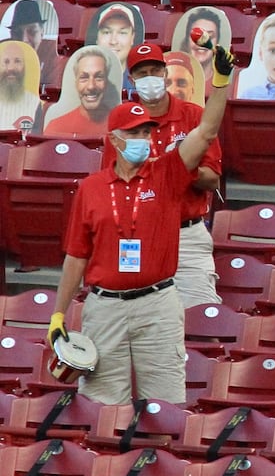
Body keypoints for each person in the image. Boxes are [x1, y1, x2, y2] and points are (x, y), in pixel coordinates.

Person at [49, 39, 234, 405]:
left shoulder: (166, 171)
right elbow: (76, 255)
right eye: (134, 133)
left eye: (146, 132)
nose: (143, 139)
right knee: (102, 405)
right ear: (113, 140)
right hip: (106, 305)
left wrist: (221, 83)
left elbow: (207, 132)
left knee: (164, 404)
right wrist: (58, 312)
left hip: (157, 298)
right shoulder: (92, 188)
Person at [100, 42, 221, 307]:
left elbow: (213, 179)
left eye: (155, 70)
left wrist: (176, 168)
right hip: (138, 233)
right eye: (142, 74)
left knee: (202, 316)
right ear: (131, 79)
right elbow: (110, 185)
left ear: (165, 73)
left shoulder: (193, 116)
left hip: (186, 233)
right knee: (139, 314)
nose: (149, 78)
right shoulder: (120, 122)